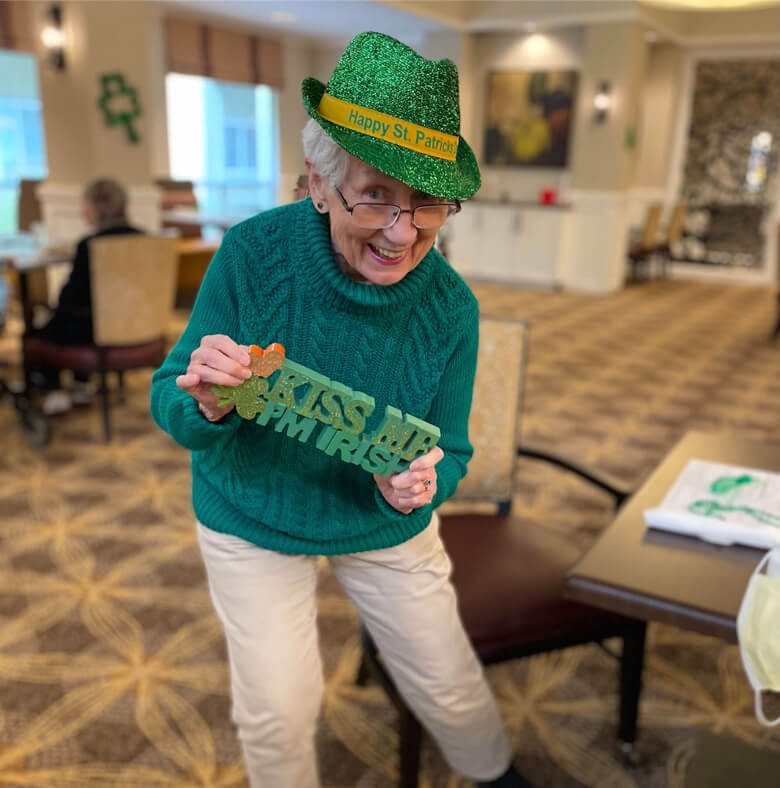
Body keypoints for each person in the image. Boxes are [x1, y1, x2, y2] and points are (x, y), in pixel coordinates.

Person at [150, 32, 532, 788]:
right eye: (376, 196)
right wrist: (207, 401)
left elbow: (449, 451)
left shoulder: (451, 308)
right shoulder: (252, 254)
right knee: (279, 709)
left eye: (427, 202)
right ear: (317, 185)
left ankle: (498, 779)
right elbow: (171, 396)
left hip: (380, 521)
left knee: (447, 679)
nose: (403, 231)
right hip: (250, 510)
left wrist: (424, 483)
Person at [29, 178, 142, 413]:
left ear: (94, 208)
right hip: (141, 327)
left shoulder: (90, 245)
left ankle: (54, 390)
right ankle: (80, 386)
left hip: (95, 334)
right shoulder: (145, 239)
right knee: (74, 319)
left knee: (39, 333)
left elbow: (69, 298)